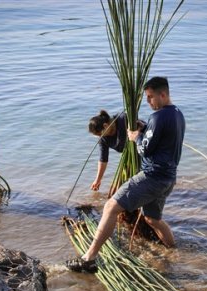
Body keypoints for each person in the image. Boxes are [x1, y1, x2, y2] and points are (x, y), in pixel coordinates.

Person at [66, 76, 186, 273]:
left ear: (162, 94)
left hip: (152, 176)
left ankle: (89, 258)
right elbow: (161, 141)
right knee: (152, 219)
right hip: (168, 178)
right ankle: (174, 253)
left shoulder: (158, 116)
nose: (148, 102)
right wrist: (144, 132)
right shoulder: (178, 114)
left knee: (111, 206)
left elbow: (144, 150)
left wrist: (136, 137)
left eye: (150, 97)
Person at [89, 110, 143, 191]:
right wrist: (98, 180)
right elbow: (103, 160)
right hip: (129, 160)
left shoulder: (123, 119)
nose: (100, 137)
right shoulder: (103, 139)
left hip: (143, 152)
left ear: (105, 125)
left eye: (100, 134)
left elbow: (141, 127)